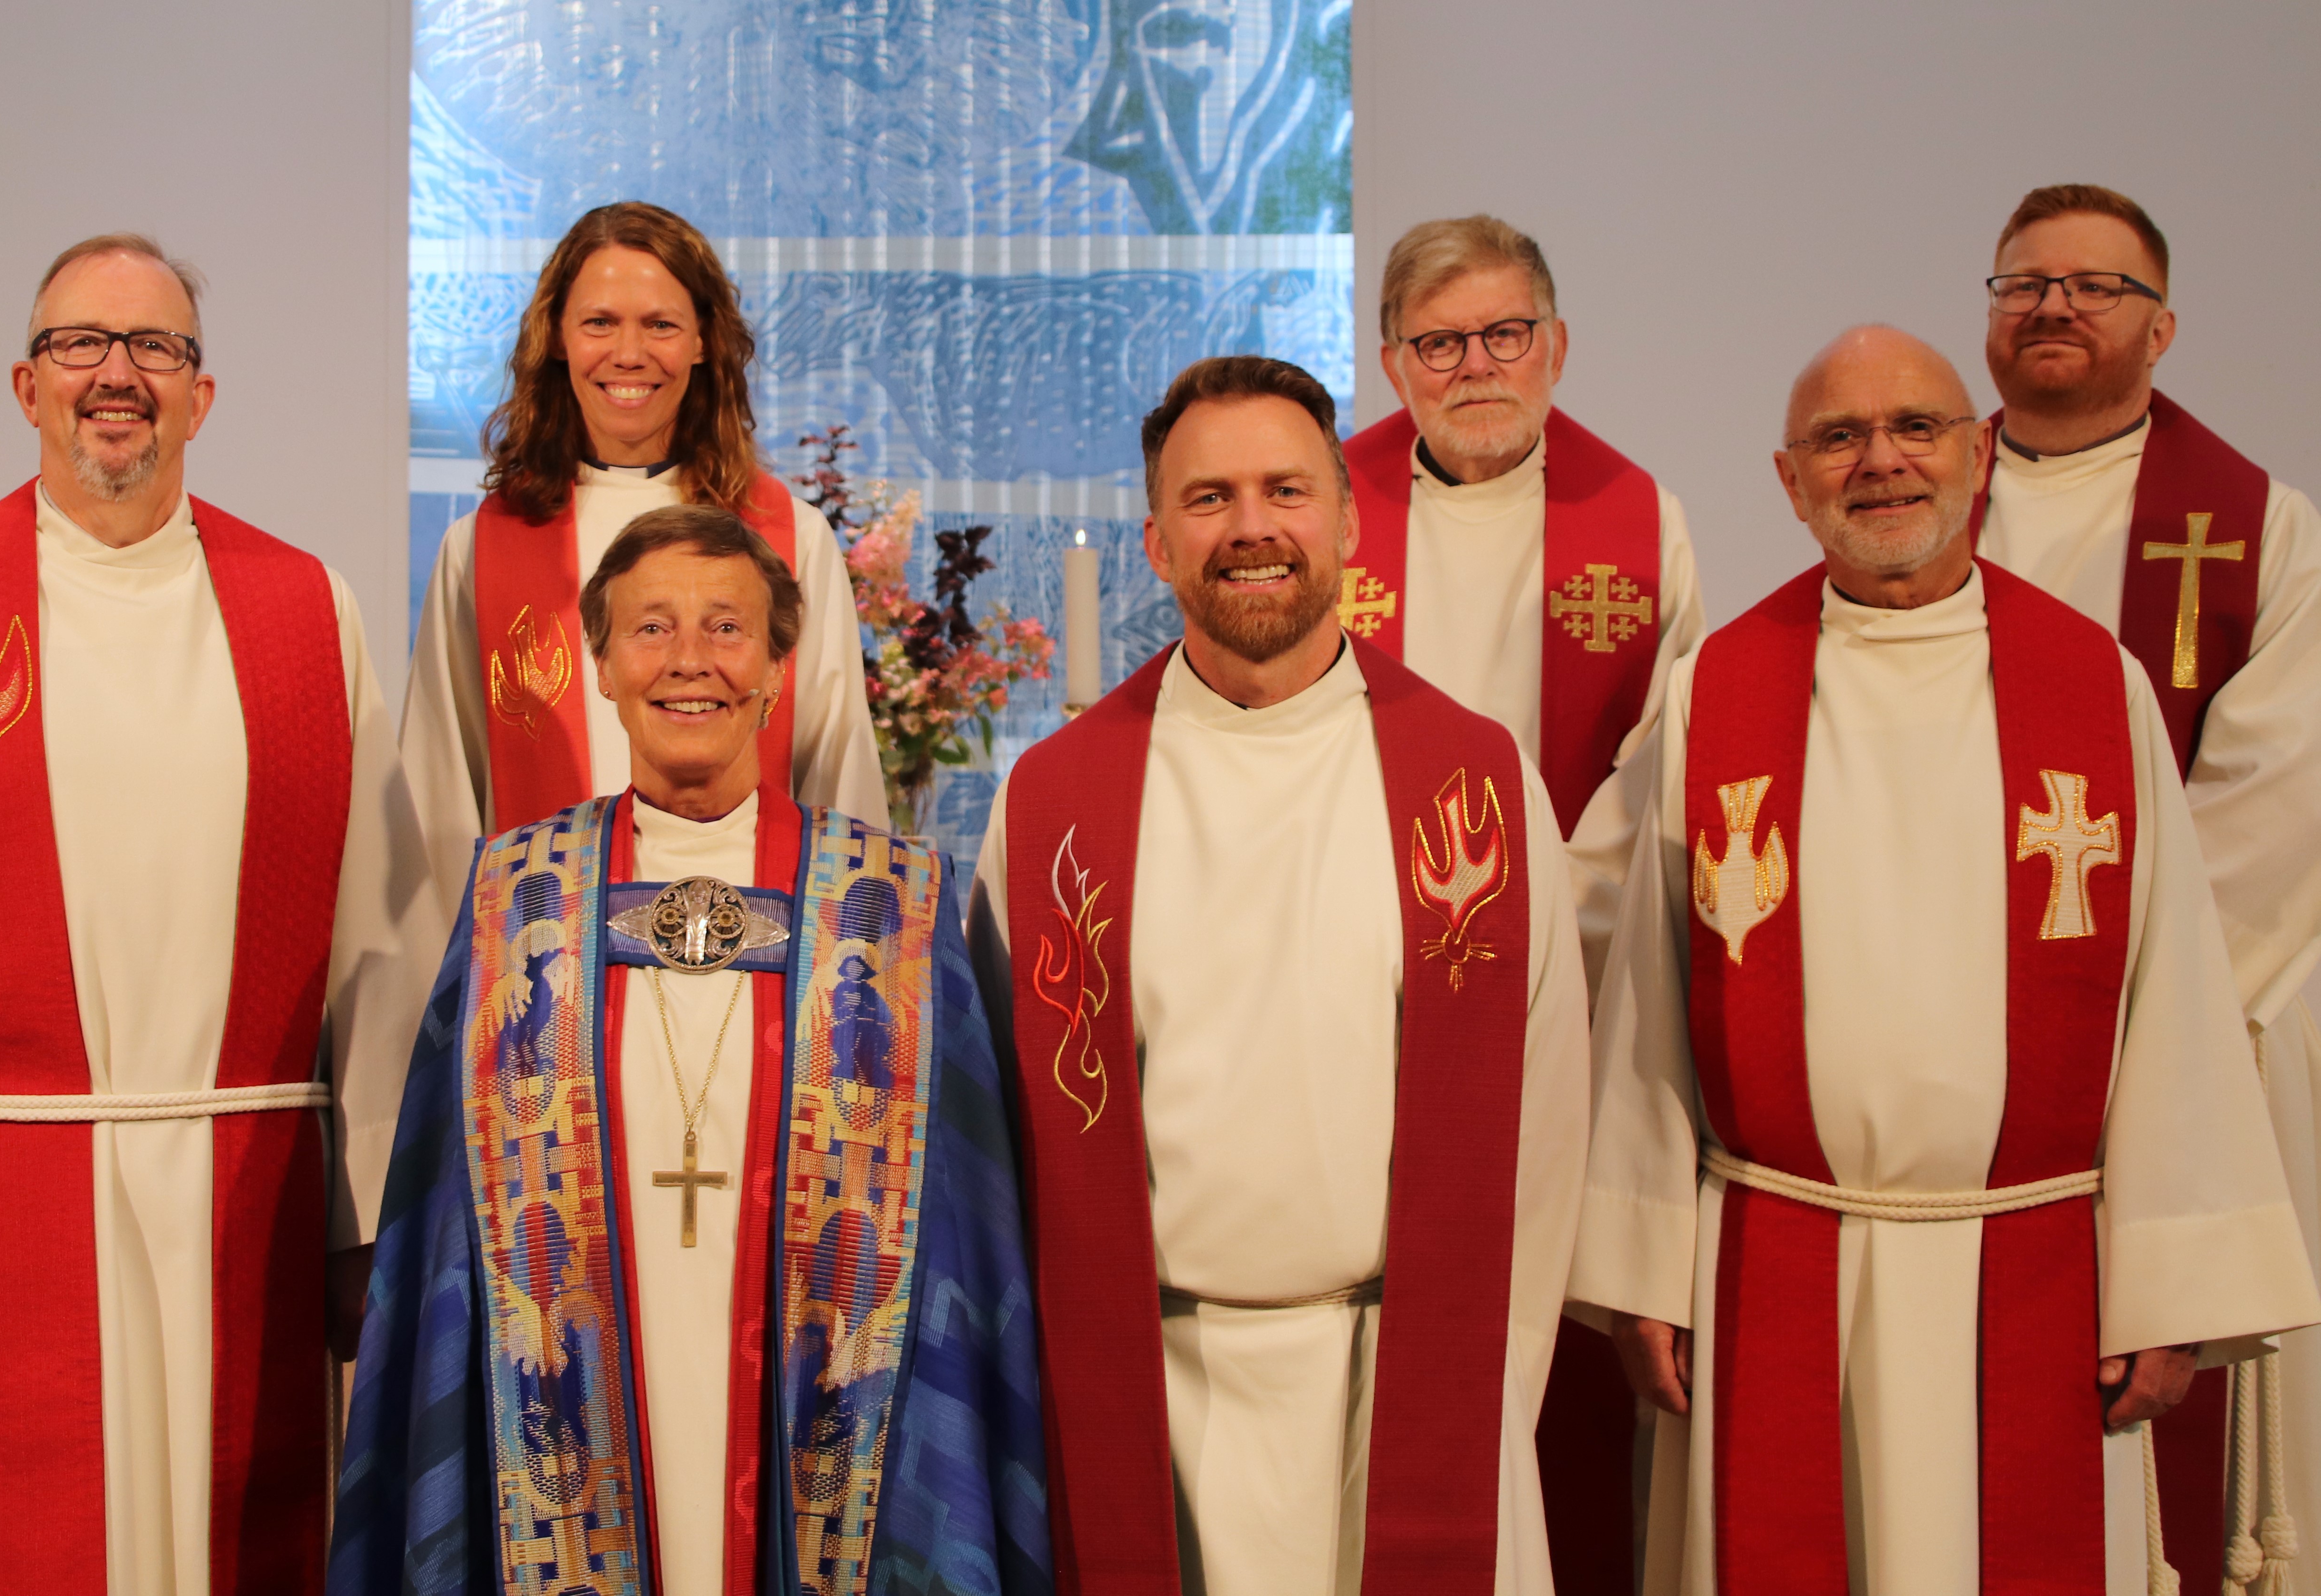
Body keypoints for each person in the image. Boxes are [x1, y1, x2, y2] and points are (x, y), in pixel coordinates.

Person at [1575, 324, 2319, 1595]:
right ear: (1789, 478)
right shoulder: (1721, 691)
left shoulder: (2096, 687)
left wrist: (2169, 1284)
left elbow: (2175, 1002)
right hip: (1773, 1258)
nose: (1882, 463)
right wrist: (1642, 1260)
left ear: (1976, 454)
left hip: (2035, 1275)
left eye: (1916, 428)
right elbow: (1648, 992)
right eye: (1839, 438)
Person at [0, 234, 432, 1595]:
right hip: (13, 1185)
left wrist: (369, 1221)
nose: (116, 375)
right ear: (26, 385)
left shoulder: (308, 609)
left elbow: (381, 937)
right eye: (82, 344)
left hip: (254, 1187)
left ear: (202, 395)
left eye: (154, 348)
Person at [333, 505, 1047, 1596]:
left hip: (821, 1431)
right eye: (652, 628)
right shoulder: (512, 900)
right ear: (605, 664)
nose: (690, 661)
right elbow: (443, 1246)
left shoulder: (889, 907)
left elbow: (965, 1241)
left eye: (726, 628)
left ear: (775, 667)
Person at [972, 356, 1590, 1593]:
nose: (1252, 528)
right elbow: (1005, 1136)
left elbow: (1547, 1122)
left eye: (1285, 491)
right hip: (1150, 1403)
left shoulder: (1476, 782)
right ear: (1156, 541)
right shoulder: (1055, 804)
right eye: (1209, 500)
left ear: (1350, 517)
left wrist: (1486, 1390)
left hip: (1406, 1385)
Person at [1967, 183, 2321, 1592]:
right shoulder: (1912, 491)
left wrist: (2085, 1018)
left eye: (2095, 285)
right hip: (1954, 1058)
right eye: (2024, 283)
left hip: (2175, 1056)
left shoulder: (2262, 530)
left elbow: (2273, 810)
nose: (2055, 305)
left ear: (2163, 327)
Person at [1352, 212, 1708, 1592]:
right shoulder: (1328, 504)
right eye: (1442, 343)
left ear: (1556, 347)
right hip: (1366, 996)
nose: (1477, 366)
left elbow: (1664, 761)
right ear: (1396, 365)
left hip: (1569, 997)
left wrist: (1530, 931)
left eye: (1506, 335)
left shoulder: (1639, 519)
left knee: (1543, 1358)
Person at [404, 201, 885, 955]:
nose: (629, 354)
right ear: (556, 341)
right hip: (548, 978)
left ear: (703, 343)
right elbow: (437, 796)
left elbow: (840, 776)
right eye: (600, 323)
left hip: (760, 968)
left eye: (660, 325)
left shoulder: (791, 541)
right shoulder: (481, 551)